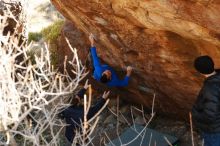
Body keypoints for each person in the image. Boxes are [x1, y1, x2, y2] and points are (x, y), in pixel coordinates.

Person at [60, 81, 110, 145]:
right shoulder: (84, 112)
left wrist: (84, 89)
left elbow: (75, 100)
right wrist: (103, 99)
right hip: (81, 138)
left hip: (69, 136)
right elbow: (95, 109)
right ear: (78, 101)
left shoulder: (66, 109)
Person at [192, 55, 220, 146]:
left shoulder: (210, 88)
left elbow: (209, 115)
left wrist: (195, 114)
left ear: (199, 71)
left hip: (214, 130)